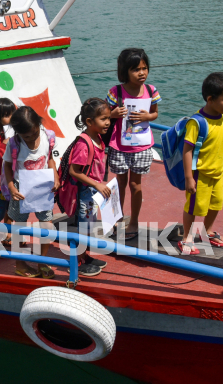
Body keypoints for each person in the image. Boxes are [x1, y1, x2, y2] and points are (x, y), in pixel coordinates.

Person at [179, 72, 223, 255]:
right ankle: (186, 238)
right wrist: (189, 177)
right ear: (211, 99)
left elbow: (221, 143)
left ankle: (208, 231)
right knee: (194, 207)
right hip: (201, 173)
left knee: (215, 204)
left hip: (217, 171)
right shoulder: (197, 123)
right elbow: (187, 150)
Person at [106, 48, 162, 241]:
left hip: (141, 146)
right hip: (119, 146)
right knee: (119, 184)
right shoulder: (116, 92)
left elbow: (155, 112)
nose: (141, 73)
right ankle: (117, 218)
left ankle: (134, 220)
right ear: (125, 71)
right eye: (136, 69)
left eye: (144, 68)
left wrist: (148, 116)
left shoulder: (151, 90)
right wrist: (113, 114)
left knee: (136, 185)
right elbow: (105, 114)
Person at [3, 106, 59, 278]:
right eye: (26, 136)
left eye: (34, 133)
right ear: (18, 133)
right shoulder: (14, 144)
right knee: (20, 227)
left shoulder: (48, 137)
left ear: (38, 124)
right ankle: (20, 263)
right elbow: (6, 165)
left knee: (47, 225)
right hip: (21, 189)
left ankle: (42, 261)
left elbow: (49, 159)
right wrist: (11, 187)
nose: (32, 138)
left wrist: (55, 177)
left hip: (43, 187)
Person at [68, 98, 112, 276]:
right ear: (89, 122)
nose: (108, 122)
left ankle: (84, 256)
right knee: (83, 228)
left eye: (108, 118)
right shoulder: (83, 144)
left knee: (89, 226)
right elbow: (74, 171)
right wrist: (97, 184)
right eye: (103, 119)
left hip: (93, 192)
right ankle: (77, 262)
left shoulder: (98, 138)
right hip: (86, 193)